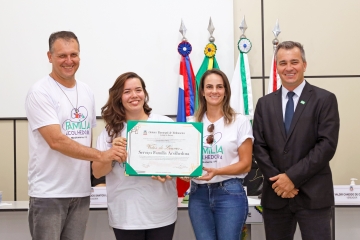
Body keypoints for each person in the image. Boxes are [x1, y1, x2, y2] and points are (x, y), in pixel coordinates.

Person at [25, 31, 126, 240]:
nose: (69, 61)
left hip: (80, 193)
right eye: (62, 55)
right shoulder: (40, 92)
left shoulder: (87, 91)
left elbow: (85, 137)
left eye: (74, 55)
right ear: (49, 56)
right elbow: (56, 141)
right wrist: (102, 155)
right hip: (49, 194)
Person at [253, 41, 340, 240]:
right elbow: (259, 146)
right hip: (276, 197)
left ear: (304, 65)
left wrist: (291, 178)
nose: (289, 68)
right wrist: (279, 182)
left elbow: (326, 146)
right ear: (277, 67)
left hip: (314, 197)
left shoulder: (324, 100)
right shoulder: (264, 104)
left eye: (294, 62)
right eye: (283, 63)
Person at [92, 72, 178, 240]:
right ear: (119, 97)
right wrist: (111, 155)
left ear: (144, 94)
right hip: (126, 216)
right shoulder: (109, 133)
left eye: (138, 90)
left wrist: (170, 172)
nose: (134, 95)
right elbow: (97, 173)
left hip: (162, 214)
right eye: (127, 91)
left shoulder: (165, 124)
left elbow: (179, 164)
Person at [187, 69, 253, 240]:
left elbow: (246, 164)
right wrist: (182, 173)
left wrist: (217, 171)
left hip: (229, 193)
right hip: (198, 195)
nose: (214, 91)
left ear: (226, 91)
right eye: (209, 87)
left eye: (219, 87)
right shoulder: (191, 123)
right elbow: (185, 162)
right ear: (202, 91)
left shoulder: (240, 121)